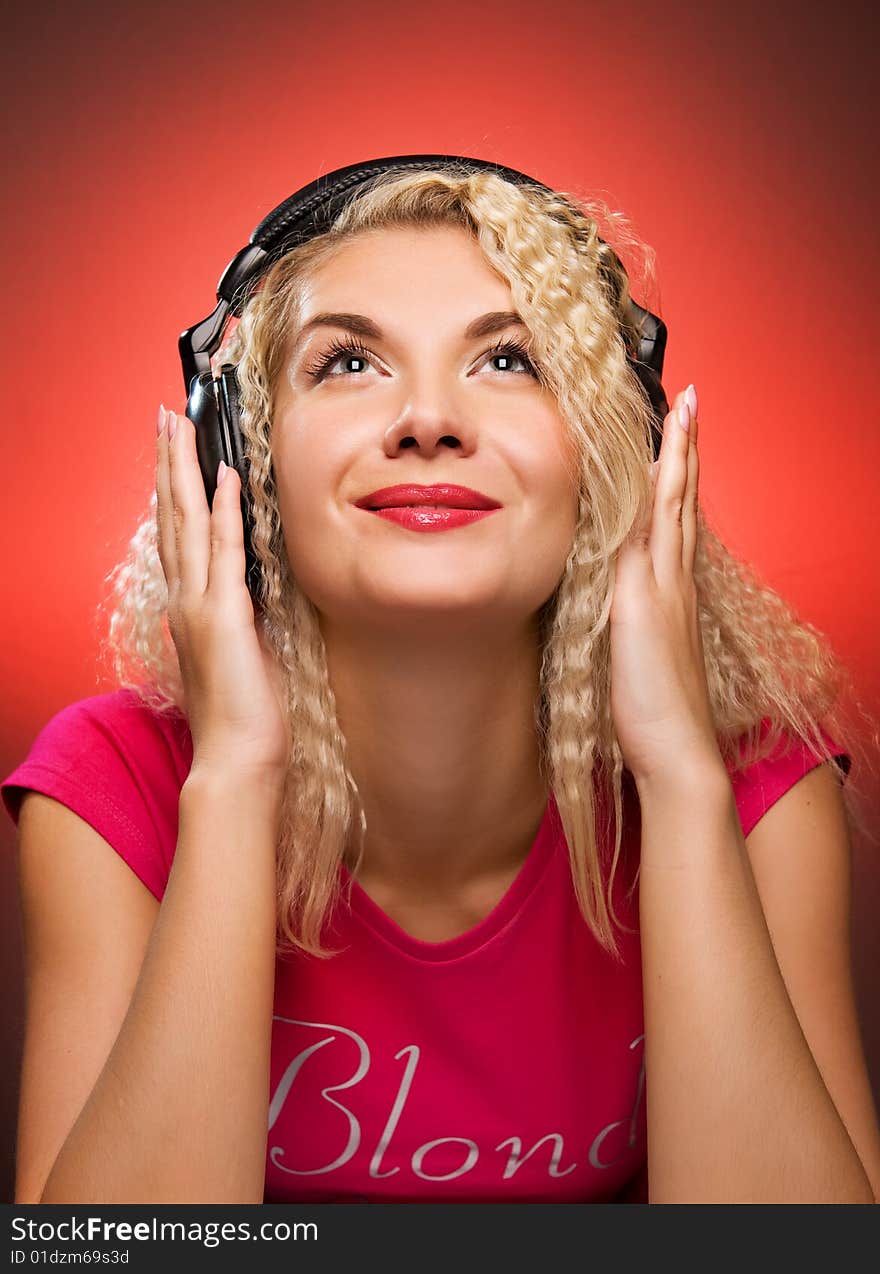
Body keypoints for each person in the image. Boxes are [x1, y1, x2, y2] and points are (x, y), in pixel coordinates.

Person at [3, 163, 880, 1205]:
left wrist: (679, 775)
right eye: (347, 362)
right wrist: (235, 774)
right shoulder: (116, 790)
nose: (427, 418)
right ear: (237, 450)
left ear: (616, 452)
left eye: (508, 358)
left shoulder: (755, 791)